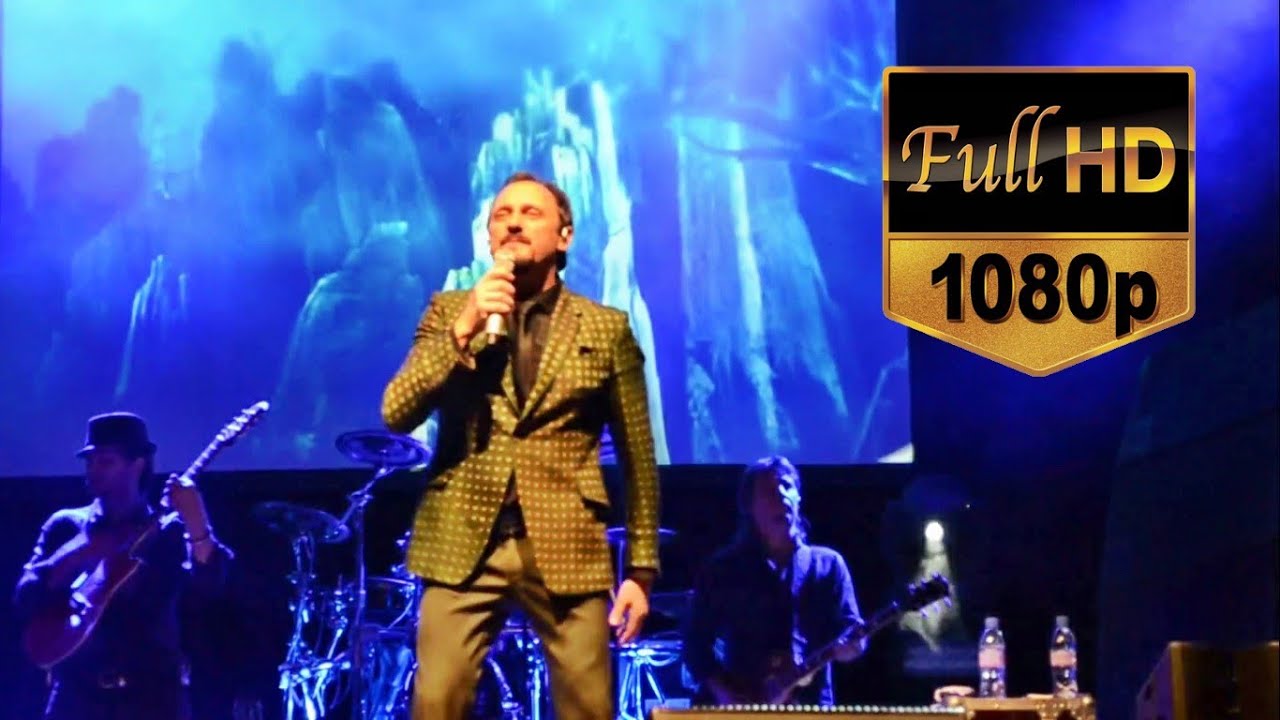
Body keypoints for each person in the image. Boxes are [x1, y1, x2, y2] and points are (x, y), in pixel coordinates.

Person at [381, 170, 662, 720]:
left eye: (531, 213)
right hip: (462, 540)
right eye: (501, 216)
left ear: (565, 236)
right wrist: (465, 326)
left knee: (588, 708)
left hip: (566, 539)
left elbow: (639, 458)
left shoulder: (605, 328)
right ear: (488, 237)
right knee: (435, 703)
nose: (513, 223)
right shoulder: (448, 311)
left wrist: (641, 571)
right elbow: (397, 411)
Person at [13, 412, 232, 720]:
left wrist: (196, 520)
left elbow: (210, 583)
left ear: (138, 464)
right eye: (90, 461)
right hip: (75, 699)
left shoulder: (169, 530)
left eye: (106, 461)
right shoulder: (65, 526)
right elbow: (26, 597)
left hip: (156, 701)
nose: (94, 470)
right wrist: (81, 550)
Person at [682, 456, 866, 706]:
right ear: (749, 507)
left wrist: (852, 647)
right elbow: (695, 643)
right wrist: (723, 691)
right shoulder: (723, 570)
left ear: (798, 497)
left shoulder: (828, 565)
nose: (782, 495)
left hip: (811, 707)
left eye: (787, 487)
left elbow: (852, 633)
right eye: (769, 491)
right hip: (746, 708)